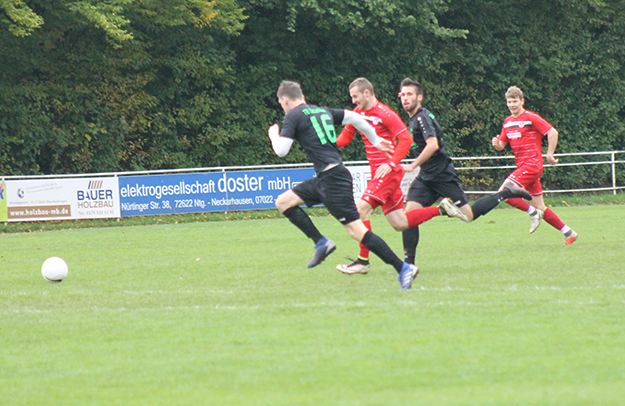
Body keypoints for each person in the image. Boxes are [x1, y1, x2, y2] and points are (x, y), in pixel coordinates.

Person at [268, 80, 419, 289]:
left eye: (281, 103)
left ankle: (403, 268)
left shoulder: (293, 115)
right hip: (327, 177)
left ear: (284, 100)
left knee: (358, 232)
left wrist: (273, 135)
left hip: (333, 181)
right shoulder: (322, 111)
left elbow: (281, 151)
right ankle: (321, 242)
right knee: (283, 201)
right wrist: (375, 140)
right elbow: (356, 117)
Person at [398, 78, 533, 265]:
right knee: (408, 218)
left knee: (469, 216)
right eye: (403, 95)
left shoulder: (421, 117)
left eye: (409, 94)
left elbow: (432, 145)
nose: (405, 98)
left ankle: (506, 193)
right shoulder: (413, 119)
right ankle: (408, 266)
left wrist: (412, 165)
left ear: (419, 97)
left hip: (442, 175)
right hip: (426, 177)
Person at [492, 86, 578, 245]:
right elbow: (502, 145)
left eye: (515, 101)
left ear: (522, 101)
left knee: (504, 192)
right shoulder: (508, 122)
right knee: (541, 208)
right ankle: (568, 232)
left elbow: (552, 132)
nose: (512, 105)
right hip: (523, 168)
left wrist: (549, 154)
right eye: (509, 102)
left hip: (532, 165)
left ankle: (532, 213)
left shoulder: (530, 118)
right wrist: (496, 143)